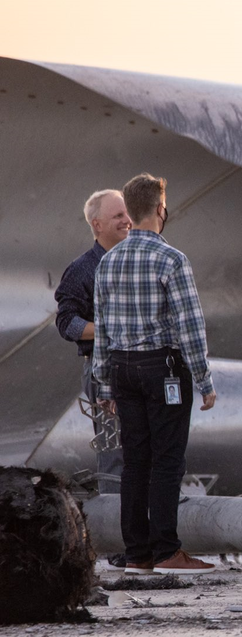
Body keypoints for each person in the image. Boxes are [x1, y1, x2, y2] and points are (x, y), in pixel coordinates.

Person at [93, 173, 217, 575]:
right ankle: (167, 550)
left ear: (130, 211)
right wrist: (204, 381)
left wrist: (104, 383)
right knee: (167, 461)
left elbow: (103, 329)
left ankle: (137, 555)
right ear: (161, 209)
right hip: (163, 368)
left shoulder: (108, 261)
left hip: (124, 370)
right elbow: (190, 327)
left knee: (135, 463)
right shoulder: (172, 259)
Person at [55, 189, 132, 495]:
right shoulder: (81, 269)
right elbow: (66, 323)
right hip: (104, 374)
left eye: (128, 214)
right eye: (118, 216)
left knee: (149, 453)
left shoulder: (138, 260)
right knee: (115, 457)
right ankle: (118, 538)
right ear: (97, 224)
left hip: (142, 368)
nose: (127, 221)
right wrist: (108, 329)